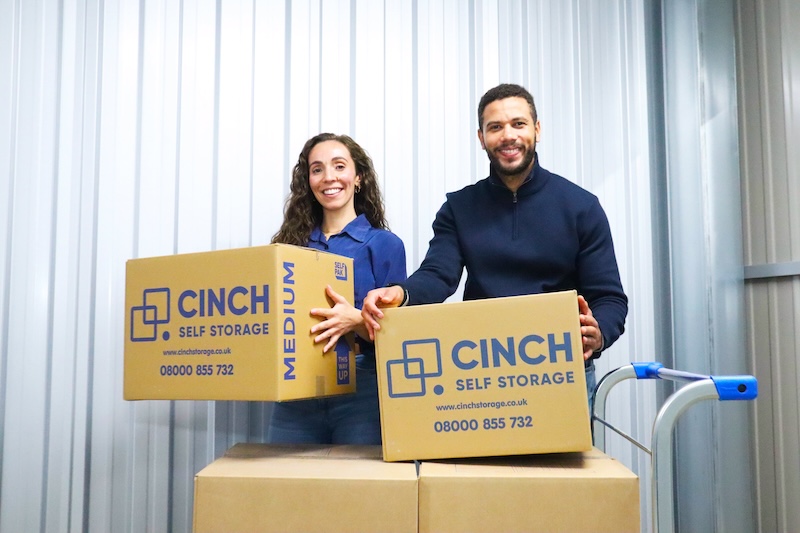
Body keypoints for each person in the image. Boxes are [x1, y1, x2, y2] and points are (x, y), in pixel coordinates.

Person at [361, 83, 628, 407]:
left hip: (561, 369)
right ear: (481, 137)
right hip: (484, 368)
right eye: (495, 127)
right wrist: (400, 294)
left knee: (558, 461)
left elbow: (609, 297)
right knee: (483, 461)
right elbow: (438, 275)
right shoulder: (458, 208)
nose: (508, 136)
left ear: (537, 129)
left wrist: (598, 332)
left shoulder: (581, 207)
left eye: (518, 124)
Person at [268, 133, 407, 444]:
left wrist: (356, 320)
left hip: (361, 389)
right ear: (308, 182)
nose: (329, 177)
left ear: (358, 178)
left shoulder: (384, 245)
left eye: (339, 166)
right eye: (317, 169)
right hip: (296, 386)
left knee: (356, 488)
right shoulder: (289, 246)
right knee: (285, 484)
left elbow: (399, 331)